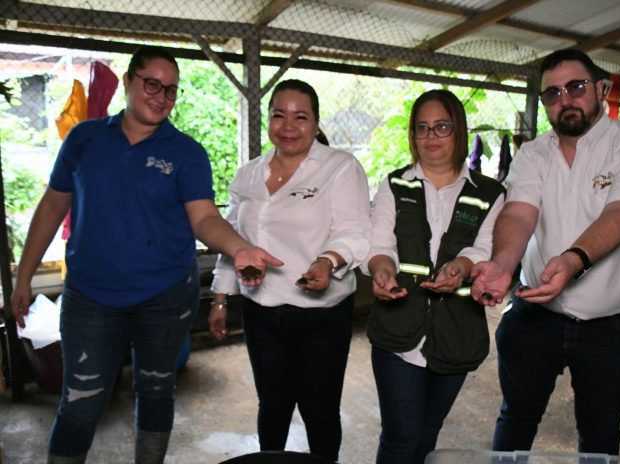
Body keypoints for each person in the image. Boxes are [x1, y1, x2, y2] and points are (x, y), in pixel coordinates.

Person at [10, 45, 280, 464]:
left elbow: (204, 218)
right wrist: (23, 276)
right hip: (90, 296)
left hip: (165, 296)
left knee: (155, 389)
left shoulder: (186, 152)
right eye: (152, 84)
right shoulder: (85, 139)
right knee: (81, 399)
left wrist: (239, 246)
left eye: (171, 90)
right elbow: (51, 207)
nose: (161, 96)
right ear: (129, 82)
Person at [471, 49, 620, 454]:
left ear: (601, 88)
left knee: (600, 431)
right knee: (517, 416)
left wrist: (573, 259)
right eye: (553, 93)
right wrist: (503, 265)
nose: (566, 99)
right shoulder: (533, 153)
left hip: (613, 326)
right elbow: (520, 214)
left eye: (576, 87)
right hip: (535, 315)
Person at [208, 79, 371, 462]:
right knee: (272, 405)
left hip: (322, 317)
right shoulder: (249, 173)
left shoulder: (339, 167)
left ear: (316, 123)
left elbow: (355, 231)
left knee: (320, 411)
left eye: (301, 117)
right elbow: (233, 237)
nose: (288, 126)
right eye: (278, 115)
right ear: (268, 120)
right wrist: (219, 298)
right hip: (261, 312)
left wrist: (327, 261)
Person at [363, 89, 505, 464]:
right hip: (398, 333)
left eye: (441, 127)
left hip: (456, 333)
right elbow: (380, 244)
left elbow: (486, 248)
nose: (430, 137)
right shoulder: (396, 185)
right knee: (401, 438)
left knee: (427, 435)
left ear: (458, 130)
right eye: (422, 128)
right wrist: (382, 270)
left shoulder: (490, 193)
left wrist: (462, 267)